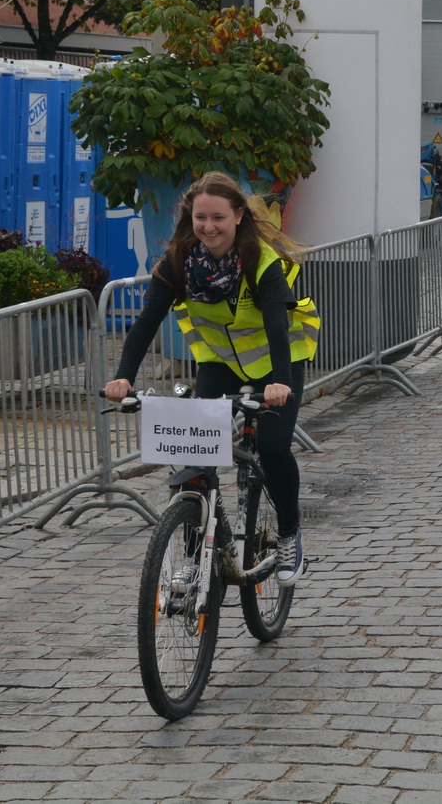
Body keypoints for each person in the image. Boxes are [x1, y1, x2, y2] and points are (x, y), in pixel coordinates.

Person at [103, 172, 319, 586]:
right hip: (220, 362)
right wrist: (123, 378)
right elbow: (146, 321)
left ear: (238, 216)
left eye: (218, 217)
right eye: (201, 217)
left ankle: (290, 535)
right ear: (191, 218)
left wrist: (278, 382)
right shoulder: (180, 262)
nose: (209, 227)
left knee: (273, 450)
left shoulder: (260, 260)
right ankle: (191, 555)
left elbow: (276, 325)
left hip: (279, 362)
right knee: (197, 455)